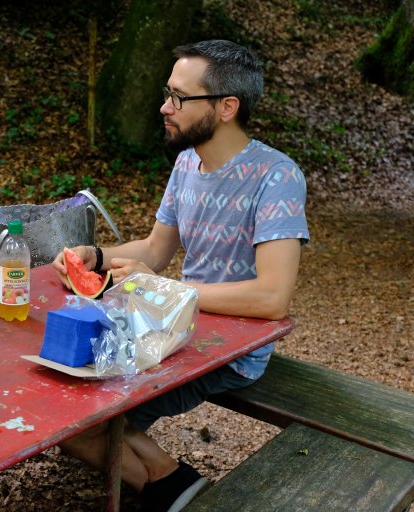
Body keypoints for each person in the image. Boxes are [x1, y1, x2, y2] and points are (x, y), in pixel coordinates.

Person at [52, 39, 309, 511]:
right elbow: (156, 247)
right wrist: (96, 254)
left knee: (82, 423)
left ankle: (178, 490)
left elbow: (273, 297)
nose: (164, 106)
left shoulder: (277, 177)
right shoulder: (188, 161)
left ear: (226, 106)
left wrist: (163, 287)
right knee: (66, 405)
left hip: (231, 348)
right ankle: (171, 486)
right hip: (174, 325)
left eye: (178, 98)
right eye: (168, 93)